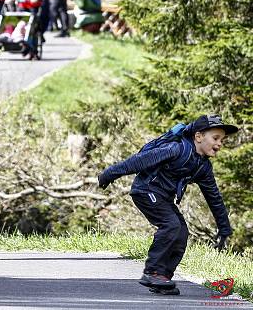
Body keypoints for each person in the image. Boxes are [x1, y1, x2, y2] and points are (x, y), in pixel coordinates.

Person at [98, 115, 237, 295]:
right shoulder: (176, 148)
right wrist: (110, 173)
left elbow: (214, 198)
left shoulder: (204, 167)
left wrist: (224, 227)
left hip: (163, 198)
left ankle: (162, 278)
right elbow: (139, 161)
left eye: (222, 140)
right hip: (145, 190)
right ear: (199, 136)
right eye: (215, 138)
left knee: (181, 232)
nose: (219, 144)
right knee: (170, 225)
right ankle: (152, 272)